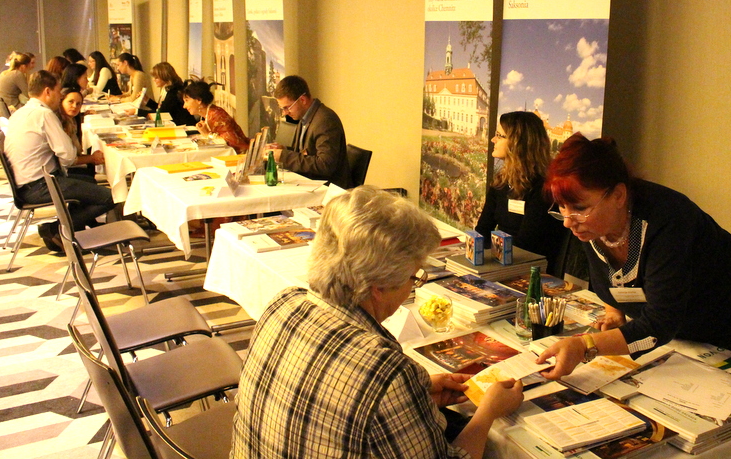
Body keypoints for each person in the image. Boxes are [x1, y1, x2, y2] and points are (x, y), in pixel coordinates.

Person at [230, 186, 524, 459]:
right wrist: (488, 411)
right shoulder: (386, 371)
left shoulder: (284, 303)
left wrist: (413, 396)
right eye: (414, 277)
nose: (413, 286)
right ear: (379, 286)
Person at [536, 134, 731, 380]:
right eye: (561, 207)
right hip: (664, 319)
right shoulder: (592, 225)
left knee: (699, 379)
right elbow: (611, 278)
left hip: (715, 306)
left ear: (618, 196)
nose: (567, 222)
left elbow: (661, 323)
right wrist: (614, 310)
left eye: (579, 208)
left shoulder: (669, 219)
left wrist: (585, 346)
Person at [4, 70, 115, 252]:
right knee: (110, 196)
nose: (59, 96)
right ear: (47, 91)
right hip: (39, 184)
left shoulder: (20, 113)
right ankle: (55, 229)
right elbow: (68, 156)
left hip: (24, 182)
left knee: (88, 182)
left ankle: (73, 231)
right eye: (58, 92)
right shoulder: (44, 114)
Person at [475, 112, 567, 274]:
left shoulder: (543, 187)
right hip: (500, 263)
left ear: (518, 142)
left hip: (530, 272)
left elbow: (526, 246)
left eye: (499, 136)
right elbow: (482, 230)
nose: (493, 140)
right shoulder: (501, 182)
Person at [268, 75, 351, 188]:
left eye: (287, 107)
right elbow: (305, 153)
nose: (285, 113)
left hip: (328, 189)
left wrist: (284, 156)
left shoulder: (325, 120)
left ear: (302, 100)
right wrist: (283, 150)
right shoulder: (305, 117)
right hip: (311, 184)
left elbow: (325, 165)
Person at [180, 81, 250, 152]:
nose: (184, 106)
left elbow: (232, 143)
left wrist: (207, 134)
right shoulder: (208, 114)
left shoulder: (217, 115)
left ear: (198, 100)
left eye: (186, 101)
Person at [58, 65, 103, 175]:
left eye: (78, 104)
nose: (74, 106)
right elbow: (68, 159)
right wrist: (91, 158)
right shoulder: (62, 122)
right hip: (65, 170)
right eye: (85, 77)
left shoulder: (70, 118)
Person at [0, 52, 31, 116]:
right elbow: (28, 94)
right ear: (23, 66)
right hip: (11, 109)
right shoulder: (17, 74)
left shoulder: (5, 73)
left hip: (0, 110)